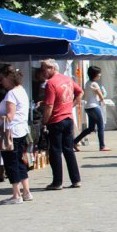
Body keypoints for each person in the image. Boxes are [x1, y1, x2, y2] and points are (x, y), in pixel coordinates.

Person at [39, 59, 83, 190]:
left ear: (52, 68)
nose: (42, 71)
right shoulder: (67, 79)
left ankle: (57, 182)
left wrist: (45, 121)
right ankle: (76, 179)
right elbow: (80, 92)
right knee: (68, 150)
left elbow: (49, 105)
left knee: (55, 151)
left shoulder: (51, 84)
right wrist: (71, 106)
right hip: (68, 119)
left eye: (44, 68)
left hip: (56, 120)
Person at [0, 65, 31, 204]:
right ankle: (26, 192)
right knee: (19, 161)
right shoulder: (21, 90)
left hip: (11, 133)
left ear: (9, 78)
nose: (0, 82)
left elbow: (9, 116)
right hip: (21, 131)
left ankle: (16, 195)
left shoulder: (11, 94)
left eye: (2, 79)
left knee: (11, 163)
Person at [74, 65, 110, 152]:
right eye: (99, 73)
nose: (100, 75)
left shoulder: (87, 83)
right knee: (100, 126)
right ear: (95, 75)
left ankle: (74, 141)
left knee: (90, 128)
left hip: (88, 107)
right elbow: (101, 95)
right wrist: (103, 100)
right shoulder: (94, 84)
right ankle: (102, 146)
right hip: (94, 107)